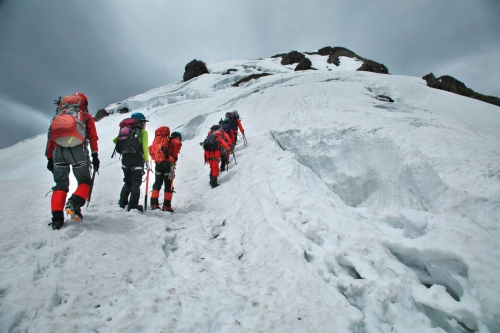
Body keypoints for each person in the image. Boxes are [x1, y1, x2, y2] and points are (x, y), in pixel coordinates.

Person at [46, 92, 99, 230]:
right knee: (84, 181)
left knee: (60, 185)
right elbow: (93, 137)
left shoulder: (59, 116)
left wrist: (49, 158)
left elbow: (50, 138)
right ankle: (74, 202)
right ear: (83, 103)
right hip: (77, 151)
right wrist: (95, 155)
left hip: (58, 152)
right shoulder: (85, 117)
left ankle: (57, 220)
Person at [113, 112, 150, 212]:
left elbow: (115, 140)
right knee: (136, 183)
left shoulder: (125, 130)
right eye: (144, 123)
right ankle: (133, 205)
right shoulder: (142, 132)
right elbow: (145, 148)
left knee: (127, 182)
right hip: (137, 159)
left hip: (125, 159)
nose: (145, 125)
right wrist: (147, 161)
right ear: (141, 123)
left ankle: (122, 203)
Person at [150, 130, 182, 212]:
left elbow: (150, 148)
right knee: (169, 185)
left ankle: (154, 203)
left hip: (158, 164)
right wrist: (174, 156)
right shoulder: (173, 140)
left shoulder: (162, 141)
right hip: (169, 166)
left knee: (157, 183)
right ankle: (166, 205)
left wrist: (156, 158)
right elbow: (178, 143)